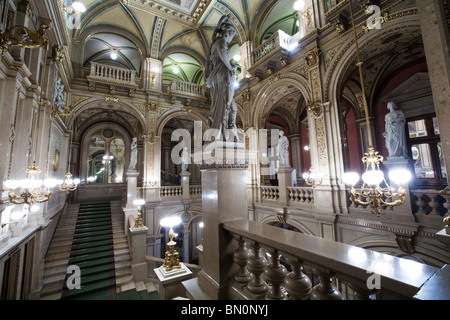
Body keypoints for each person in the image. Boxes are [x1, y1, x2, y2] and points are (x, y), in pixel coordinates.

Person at [204, 15, 239, 142]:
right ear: (228, 33)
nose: (230, 40)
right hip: (223, 75)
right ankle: (222, 132)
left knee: (229, 106)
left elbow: (217, 55)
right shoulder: (220, 42)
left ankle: (229, 132)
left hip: (218, 76)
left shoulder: (215, 42)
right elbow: (223, 54)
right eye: (231, 36)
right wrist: (230, 67)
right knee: (224, 104)